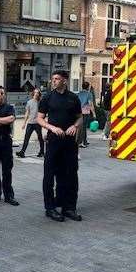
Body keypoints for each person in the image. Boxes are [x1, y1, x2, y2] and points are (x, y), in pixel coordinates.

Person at [37, 70, 83, 222]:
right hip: (53, 142)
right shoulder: (47, 97)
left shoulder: (73, 98)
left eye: (57, 79)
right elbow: (40, 119)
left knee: (70, 175)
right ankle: (50, 208)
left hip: (70, 143)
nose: (54, 81)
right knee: (49, 175)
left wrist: (75, 126)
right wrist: (52, 128)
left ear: (65, 80)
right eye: (53, 79)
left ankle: (69, 208)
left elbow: (80, 118)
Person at [16, 88, 44, 158]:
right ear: (33, 93)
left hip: (38, 123)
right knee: (26, 138)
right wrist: (24, 123)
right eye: (35, 92)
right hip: (30, 123)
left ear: (39, 94)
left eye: (38, 93)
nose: (36, 94)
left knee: (40, 138)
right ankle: (22, 152)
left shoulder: (41, 102)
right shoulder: (29, 102)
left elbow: (43, 113)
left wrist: (43, 122)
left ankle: (42, 152)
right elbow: (27, 113)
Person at [77, 82, 95, 148]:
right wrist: (94, 114)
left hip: (79, 112)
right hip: (85, 112)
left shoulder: (78, 94)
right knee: (84, 128)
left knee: (79, 127)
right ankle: (83, 142)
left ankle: (80, 141)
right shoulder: (89, 94)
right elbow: (90, 104)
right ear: (88, 87)